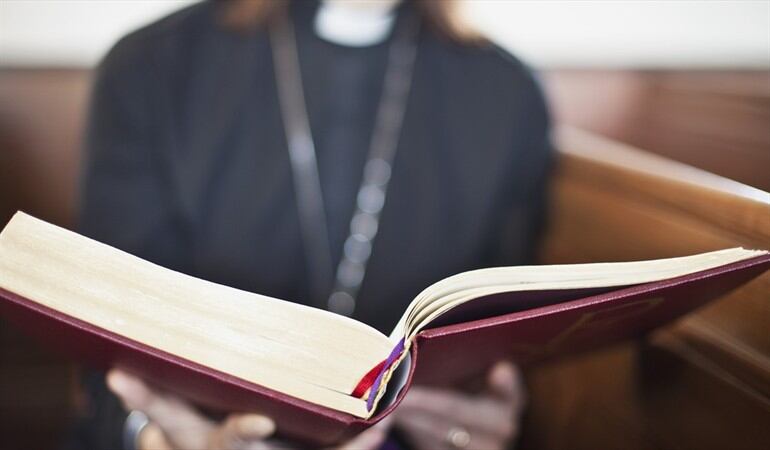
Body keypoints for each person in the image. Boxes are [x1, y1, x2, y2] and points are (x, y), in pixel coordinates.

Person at [69, 0, 551, 449]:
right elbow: (104, 339)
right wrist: (155, 436)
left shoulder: (507, 94)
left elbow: (499, 342)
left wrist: (486, 427)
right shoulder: (151, 66)